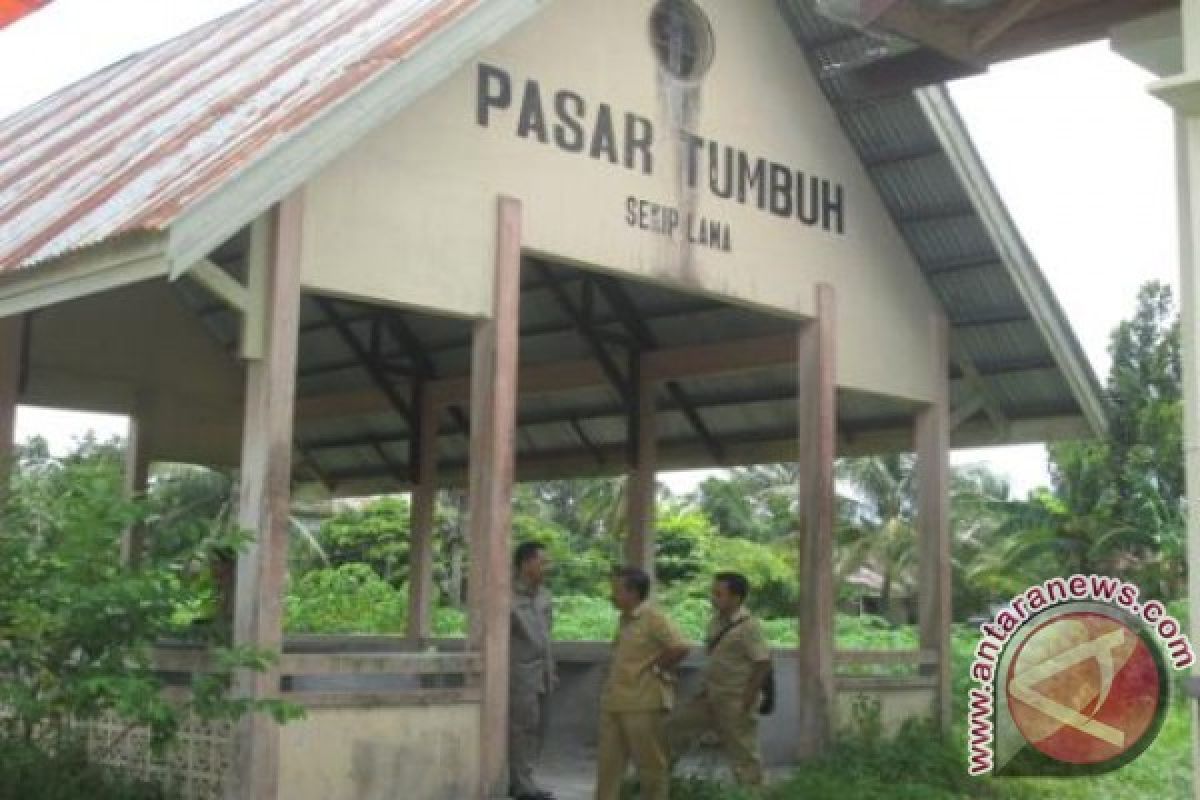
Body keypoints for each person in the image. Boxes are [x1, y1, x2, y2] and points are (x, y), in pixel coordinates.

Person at [667, 572, 771, 787]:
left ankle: (753, 792)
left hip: (735, 698)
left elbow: (762, 662)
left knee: (743, 753)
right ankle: (658, 783)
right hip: (709, 695)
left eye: (719, 594)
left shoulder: (748, 626)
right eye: (713, 593)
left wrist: (748, 697)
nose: (713, 598)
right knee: (674, 729)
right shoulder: (716, 621)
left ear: (736, 598)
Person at [595, 566, 690, 800]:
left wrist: (657, 667)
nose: (612, 594)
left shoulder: (653, 618)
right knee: (608, 765)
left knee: (650, 765)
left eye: (617, 590)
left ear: (634, 592)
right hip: (615, 702)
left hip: (643, 702)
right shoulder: (625, 619)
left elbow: (680, 646)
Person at [509, 541, 557, 800]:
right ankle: (522, 785)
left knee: (539, 728)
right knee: (521, 728)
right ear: (526, 563)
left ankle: (524, 778)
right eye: (542, 562)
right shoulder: (506, 596)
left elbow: (548, 636)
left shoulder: (545, 596)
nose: (546, 567)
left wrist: (552, 669)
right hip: (519, 674)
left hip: (544, 673)